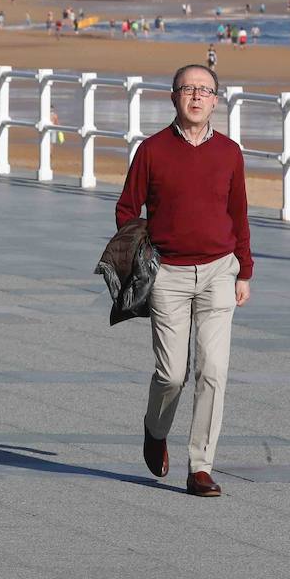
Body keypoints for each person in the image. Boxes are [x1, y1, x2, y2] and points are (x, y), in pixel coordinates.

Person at [117, 64, 253, 498]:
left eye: (205, 90)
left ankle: (200, 467)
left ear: (215, 101)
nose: (196, 96)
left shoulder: (229, 152)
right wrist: (141, 257)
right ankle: (155, 430)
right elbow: (127, 208)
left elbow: (239, 214)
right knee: (171, 374)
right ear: (174, 96)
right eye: (188, 89)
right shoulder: (152, 150)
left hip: (219, 271)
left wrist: (244, 270)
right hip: (168, 275)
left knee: (212, 370)